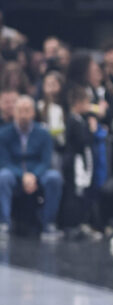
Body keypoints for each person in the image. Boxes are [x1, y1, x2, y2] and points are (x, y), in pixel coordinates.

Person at [0, 95, 64, 240]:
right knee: (3, 176)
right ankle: (4, 223)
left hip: (38, 175)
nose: (23, 115)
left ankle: (49, 225)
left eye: (27, 110)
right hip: (14, 175)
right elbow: (4, 161)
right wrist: (23, 176)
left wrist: (33, 176)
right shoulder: (3, 134)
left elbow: (46, 161)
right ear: (14, 113)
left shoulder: (43, 134)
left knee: (54, 177)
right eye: (20, 111)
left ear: (33, 113)